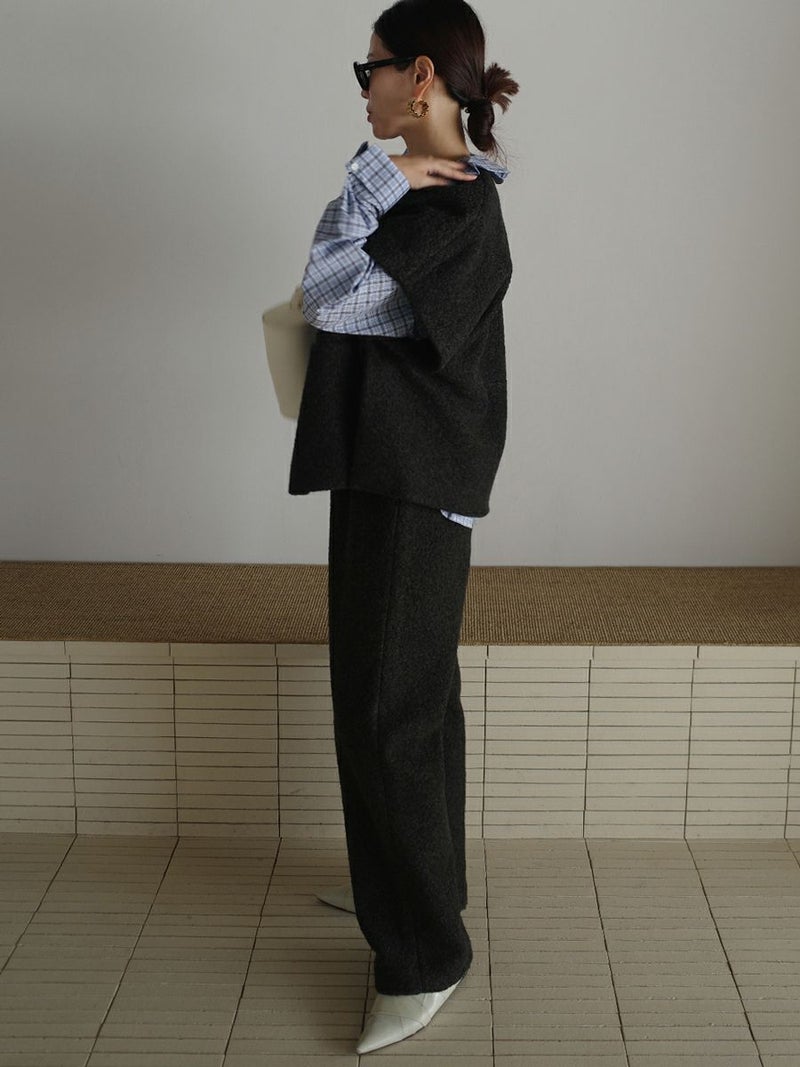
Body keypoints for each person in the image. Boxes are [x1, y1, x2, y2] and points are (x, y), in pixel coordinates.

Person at [288, 0, 518, 1053]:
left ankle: (423, 952)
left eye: (369, 69)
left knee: (389, 711)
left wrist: (368, 182)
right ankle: (411, 882)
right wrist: (376, 183)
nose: (365, 89)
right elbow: (337, 291)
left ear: (418, 74)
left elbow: (327, 295)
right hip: (393, 473)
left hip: (412, 483)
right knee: (409, 701)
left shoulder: (454, 209)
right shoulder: (434, 193)